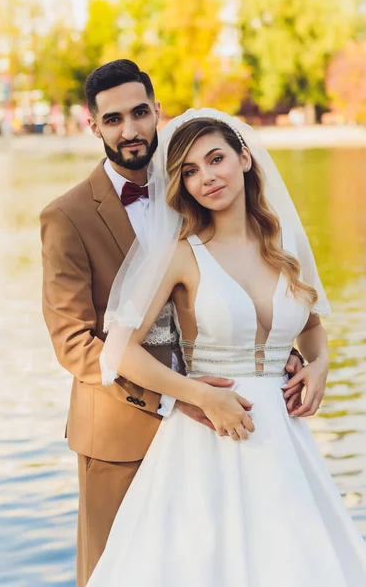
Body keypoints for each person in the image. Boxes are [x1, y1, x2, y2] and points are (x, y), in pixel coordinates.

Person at [40, 60, 303, 586]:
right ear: (94, 126)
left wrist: (279, 352)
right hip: (120, 436)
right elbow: (73, 343)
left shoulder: (194, 188)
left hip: (218, 429)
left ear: (157, 110)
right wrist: (175, 396)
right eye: (113, 120)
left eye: (139, 113)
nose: (131, 130)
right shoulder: (66, 216)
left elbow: (239, 281)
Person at [86, 109, 366, 586]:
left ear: (244, 158)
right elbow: (120, 352)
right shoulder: (182, 253)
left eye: (215, 159)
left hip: (284, 438)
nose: (206, 178)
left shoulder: (284, 244)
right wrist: (200, 395)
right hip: (209, 437)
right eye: (190, 171)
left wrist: (319, 365)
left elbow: (312, 325)